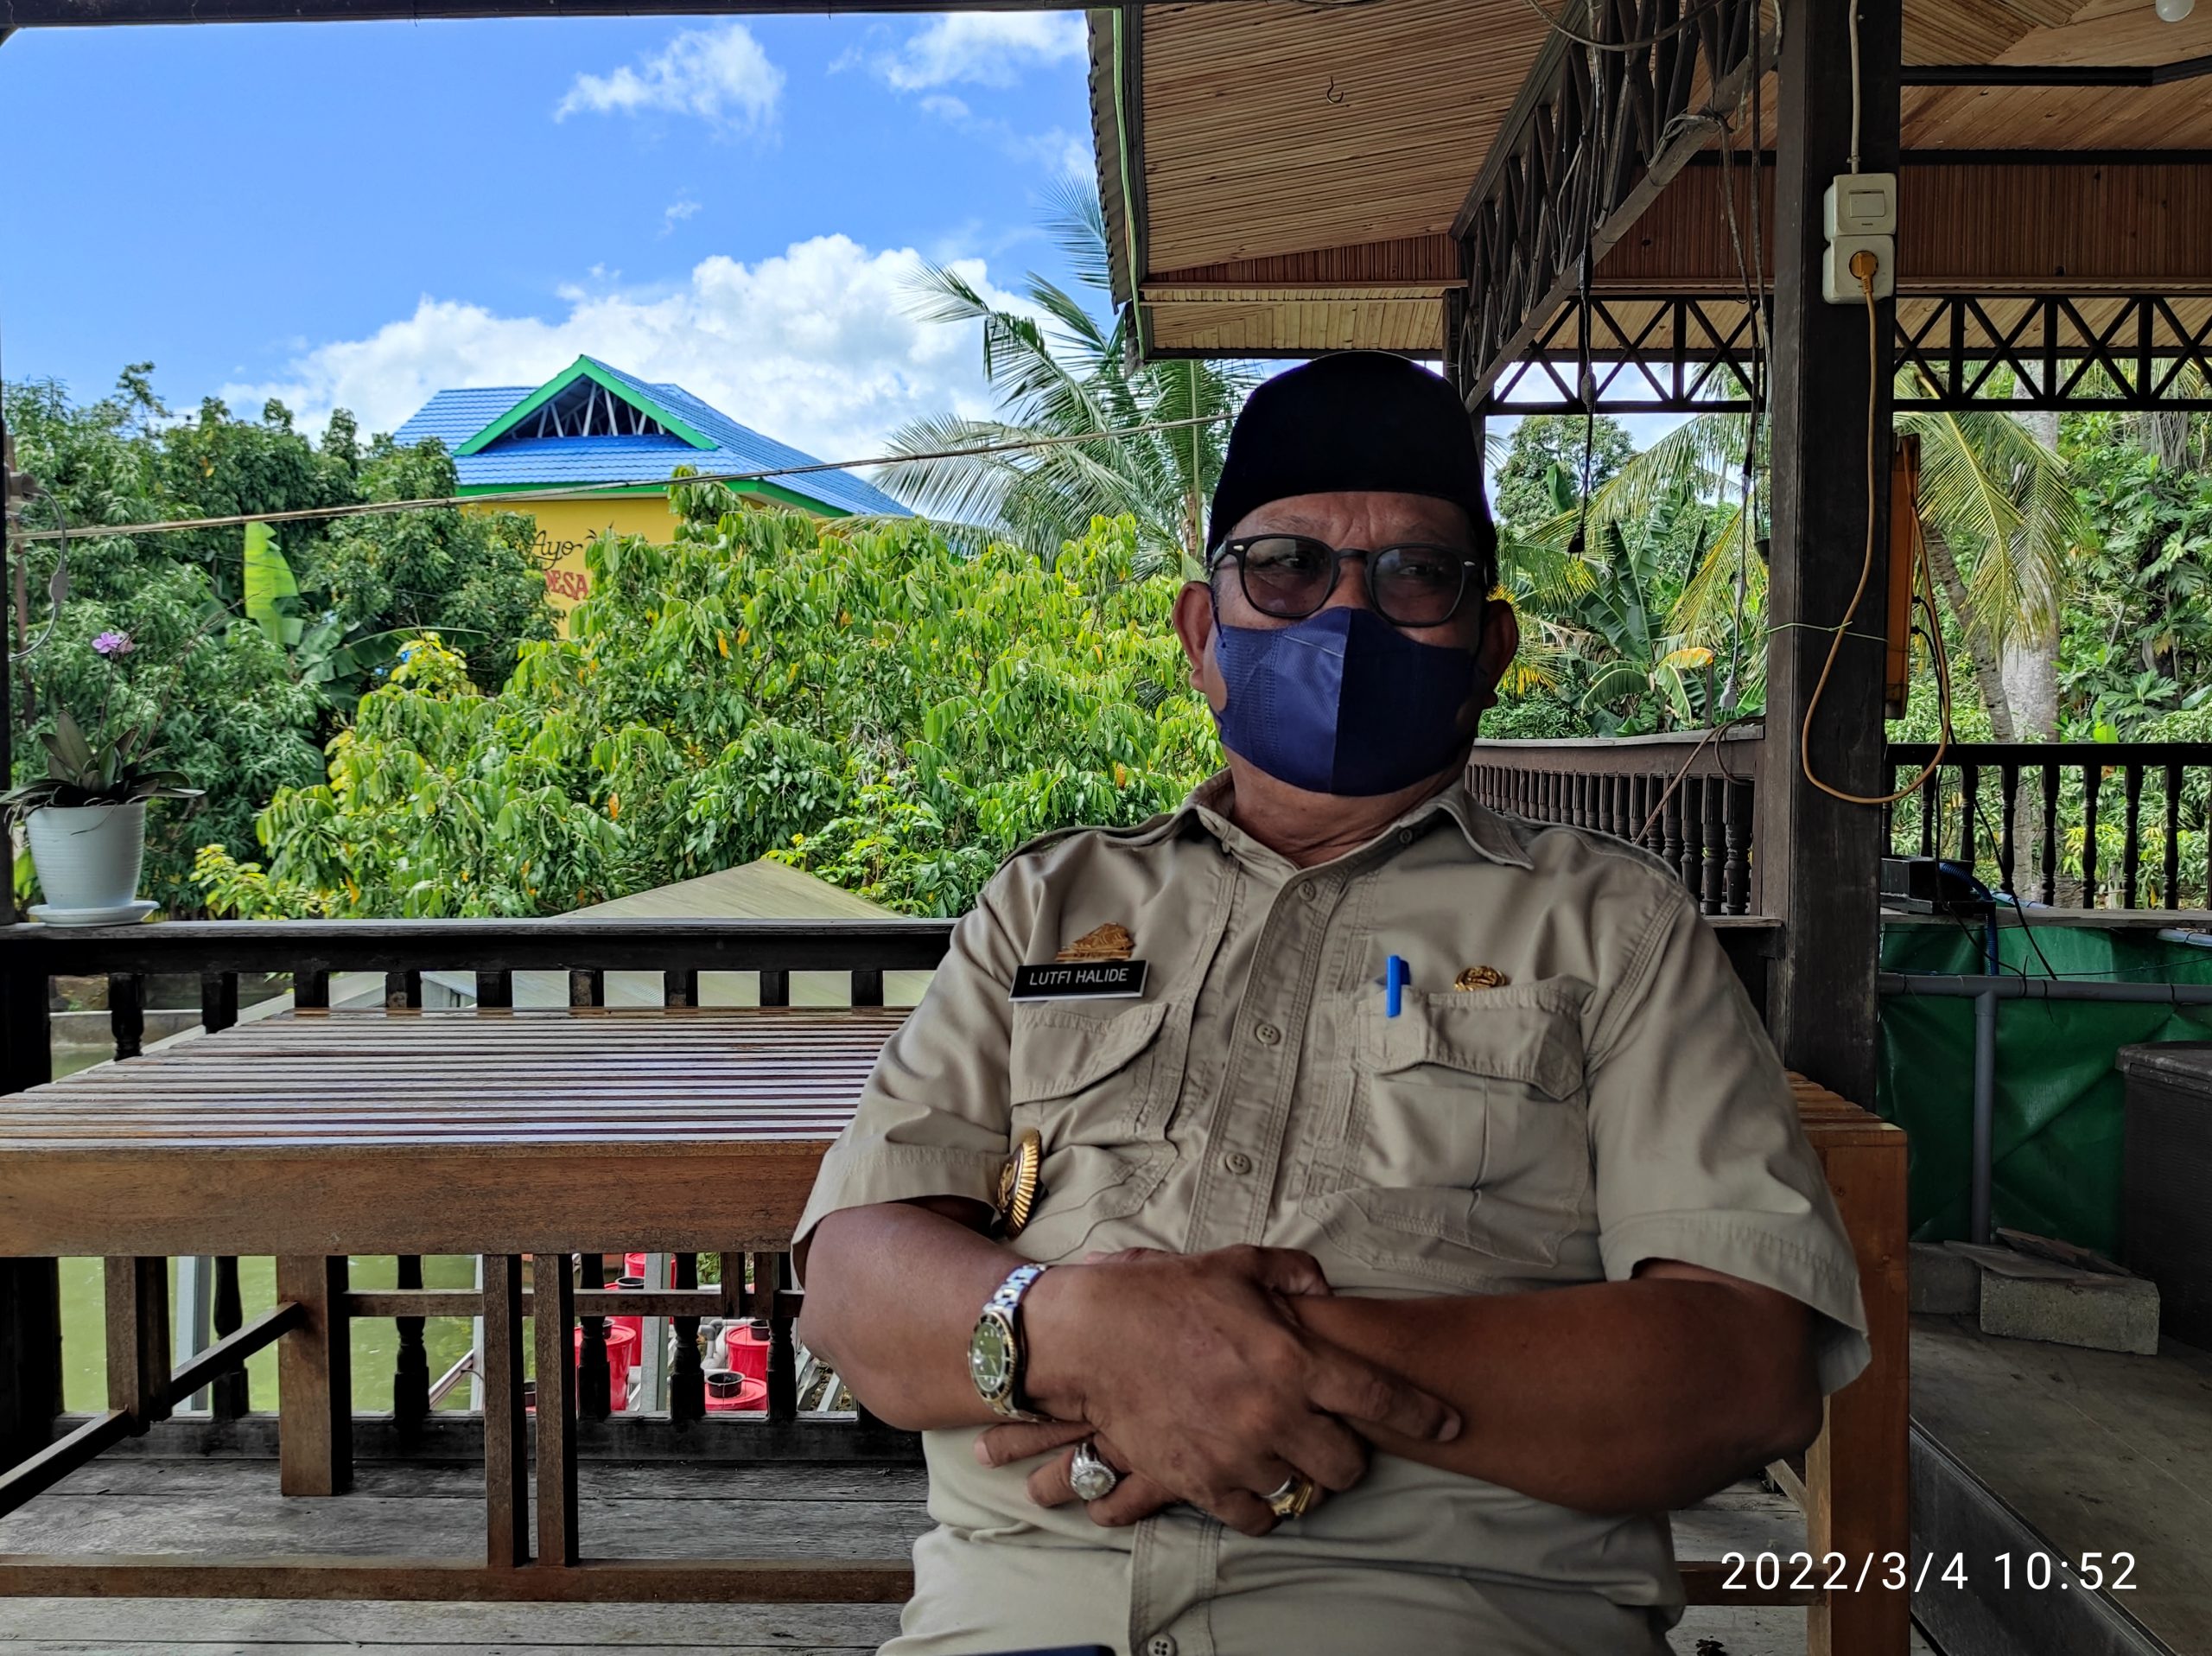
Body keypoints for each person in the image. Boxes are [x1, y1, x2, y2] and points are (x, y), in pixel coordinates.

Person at [793, 351, 1868, 1656]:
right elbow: (857, 1281)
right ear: (1205, 635)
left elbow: (1742, 1373)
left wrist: (1244, 1359)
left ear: (1489, 647)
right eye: (1288, 567)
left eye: (1416, 574)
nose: (1347, 613)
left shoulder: (1615, 926)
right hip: (1025, 1617)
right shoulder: (1045, 905)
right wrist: (1081, 1328)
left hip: (1446, 1621)